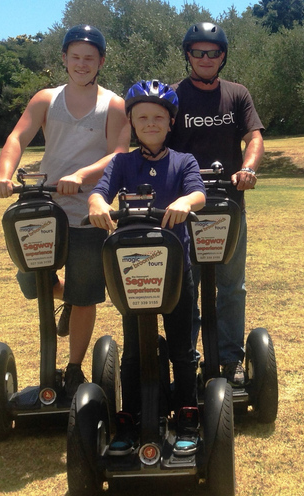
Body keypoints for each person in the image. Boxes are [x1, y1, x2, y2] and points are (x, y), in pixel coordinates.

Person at [0, 25, 130, 399]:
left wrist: (81, 176)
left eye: (89, 58)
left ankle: (72, 370)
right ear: (64, 59)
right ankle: (64, 297)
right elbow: (17, 137)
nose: (81, 64)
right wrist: (4, 176)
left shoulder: (113, 104)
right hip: (45, 207)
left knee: (85, 295)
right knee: (32, 281)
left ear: (100, 61)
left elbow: (119, 153)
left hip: (89, 209)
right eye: (75, 57)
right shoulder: (46, 99)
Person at [88, 79, 206, 456]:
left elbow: (199, 192)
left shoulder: (183, 161)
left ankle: (187, 413)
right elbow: (100, 191)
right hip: (133, 271)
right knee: (136, 350)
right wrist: (96, 204)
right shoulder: (123, 162)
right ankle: (131, 416)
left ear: (170, 122)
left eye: (158, 117)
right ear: (133, 123)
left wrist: (186, 201)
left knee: (182, 347)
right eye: (142, 118)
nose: (151, 123)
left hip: (175, 270)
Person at [168, 22, 265, 385]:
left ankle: (229, 359)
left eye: (213, 53)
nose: (205, 58)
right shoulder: (174, 95)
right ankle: (186, 360)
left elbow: (253, 138)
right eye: (198, 52)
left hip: (228, 203)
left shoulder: (237, 94)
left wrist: (248, 168)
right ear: (189, 55)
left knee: (231, 285)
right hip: (184, 205)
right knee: (184, 286)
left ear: (222, 56)